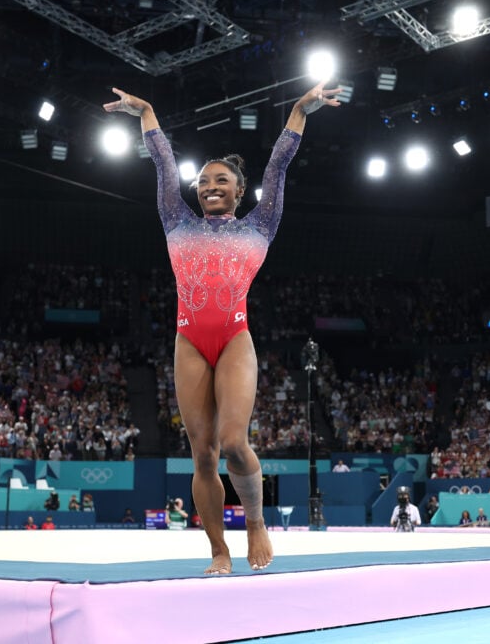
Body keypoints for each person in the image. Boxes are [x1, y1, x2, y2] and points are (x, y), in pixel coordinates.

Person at [104, 80, 340, 574]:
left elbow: (278, 166)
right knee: (203, 456)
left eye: (221, 181)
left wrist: (300, 109)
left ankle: (255, 523)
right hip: (189, 340)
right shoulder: (176, 219)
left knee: (234, 441)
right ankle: (217, 548)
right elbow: (164, 167)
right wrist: (146, 112)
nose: (210, 186)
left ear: (239, 189)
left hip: (234, 338)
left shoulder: (261, 224)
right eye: (205, 181)